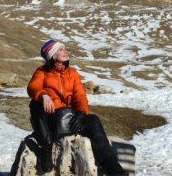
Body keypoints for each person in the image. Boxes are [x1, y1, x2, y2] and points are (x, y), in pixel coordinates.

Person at [27, 40, 127, 175]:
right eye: (60, 49)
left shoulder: (72, 73)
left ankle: (113, 169)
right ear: (51, 55)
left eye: (64, 49)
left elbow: (80, 96)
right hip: (50, 119)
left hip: (69, 119)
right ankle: (47, 145)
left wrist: (81, 113)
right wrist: (44, 95)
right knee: (35, 104)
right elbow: (33, 87)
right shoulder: (42, 72)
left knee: (93, 120)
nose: (65, 51)